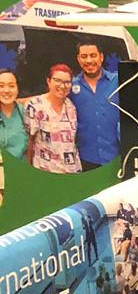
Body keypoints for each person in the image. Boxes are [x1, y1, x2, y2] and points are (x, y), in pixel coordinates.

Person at [23, 65, 81, 175]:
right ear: (49, 81)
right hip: (45, 171)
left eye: (67, 82)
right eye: (58, 80)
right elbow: (28, 142)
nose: (62, 86)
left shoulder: (71, 107)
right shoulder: (35, 106)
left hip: (71, 171)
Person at [70, 42, 119, 170]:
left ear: (101, 57)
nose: (89, 60)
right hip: (85, 159)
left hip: (116, 156)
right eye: (84, 56)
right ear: (78, 59)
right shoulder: (71, 86)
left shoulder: (118, 81)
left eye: (93, 55)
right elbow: (50, 99)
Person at [0, 69, 24, 207]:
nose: (6, 90)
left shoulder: (26, 112)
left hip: (21, 180)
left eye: (11, 85)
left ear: (18, 88)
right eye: (1, 86)